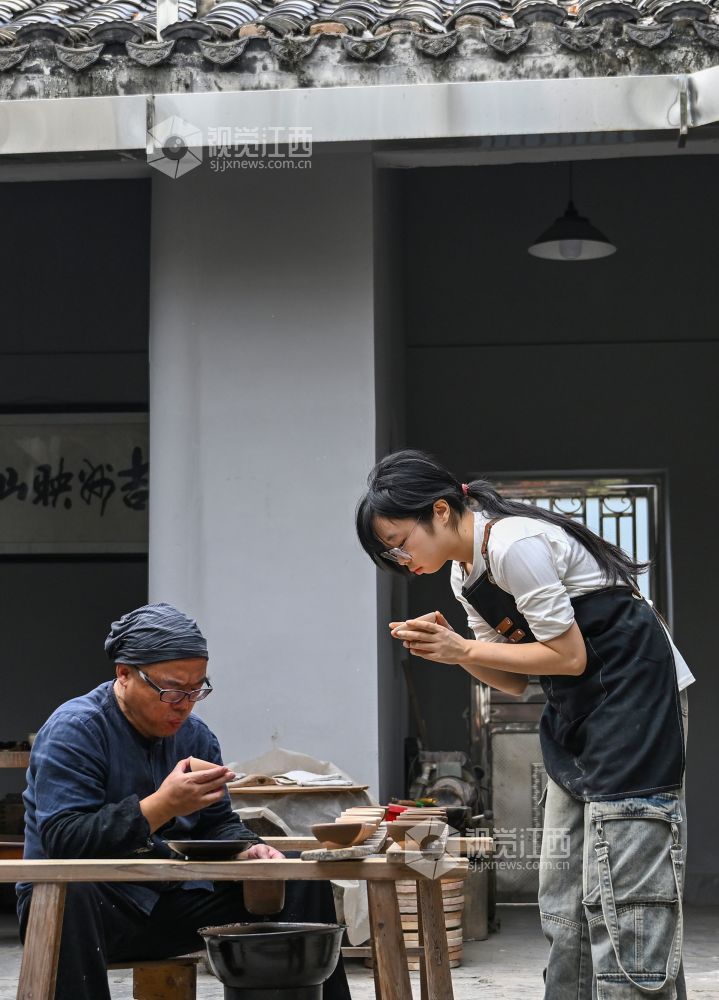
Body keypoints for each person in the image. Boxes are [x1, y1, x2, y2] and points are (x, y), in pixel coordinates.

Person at [356, 449, 693, 1000]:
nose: (400, 559)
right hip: (577, 712)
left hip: (637, 700)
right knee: (566, 897)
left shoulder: (514, 542)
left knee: (627, 892)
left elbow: (568, 657)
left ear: (440, 511)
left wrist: (461, 645)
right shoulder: (466, 579)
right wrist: (453, 653)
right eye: (389, 552)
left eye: (399, 542)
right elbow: (512, 681)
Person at [18, 603, 350, 1000]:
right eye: (172, 690)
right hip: (92, 911)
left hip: (171, 901)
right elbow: (63, 840)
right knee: (71, 889)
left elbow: (218, 823)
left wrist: (249, 849)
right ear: (124, 674)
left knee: (299, 880)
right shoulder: (76, 730)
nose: (185, 704)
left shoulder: (196, 736)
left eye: (196, 690)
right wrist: (162, 805)